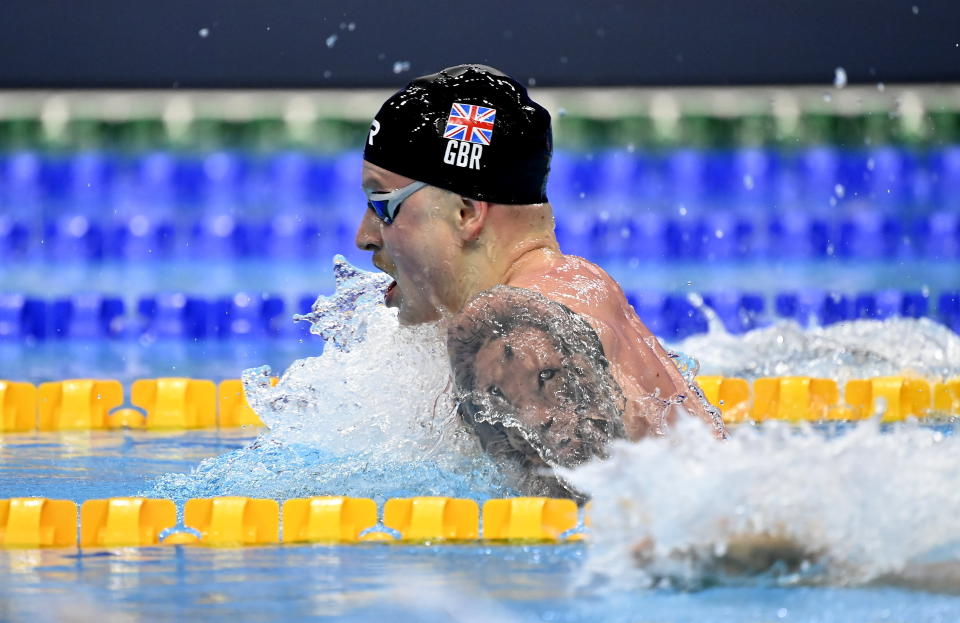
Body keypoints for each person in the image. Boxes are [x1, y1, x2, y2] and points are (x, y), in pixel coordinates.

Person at [355, 64, 725, 477]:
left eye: (381, 204)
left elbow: (562, 530)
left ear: (465, 213)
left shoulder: (511, 334)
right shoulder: (582, 283)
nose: (364, 236)